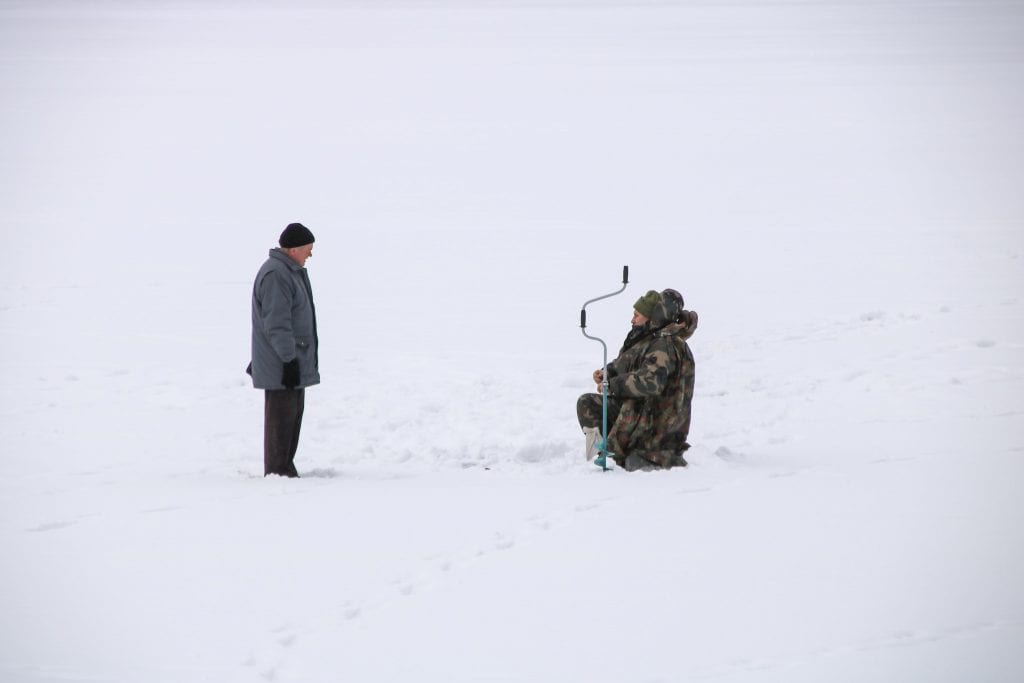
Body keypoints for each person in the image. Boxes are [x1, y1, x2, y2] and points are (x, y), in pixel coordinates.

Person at [576, 288, 698, 471]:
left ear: (652, 318)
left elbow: (650, 382)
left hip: (655, 424)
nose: (632, 320)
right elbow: (627, 362)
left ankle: (614, 456)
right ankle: (601, 455)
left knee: (592, 405)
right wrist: (606, 372)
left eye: (637, 315)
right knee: (588, 403)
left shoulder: (665, 344)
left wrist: (613, 385)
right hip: (641, 413)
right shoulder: (650, 339)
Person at [247, 223, 320, 477]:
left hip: (290, 361)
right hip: (283, 363)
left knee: (292, 418)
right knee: (282, 419)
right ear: (293, 250)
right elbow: (277, 324)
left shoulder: (289, 271)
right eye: (308, 250)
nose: (310, 255)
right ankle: (278, 472)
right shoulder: (277, 275)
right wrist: (288, 361)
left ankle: (285, 468)